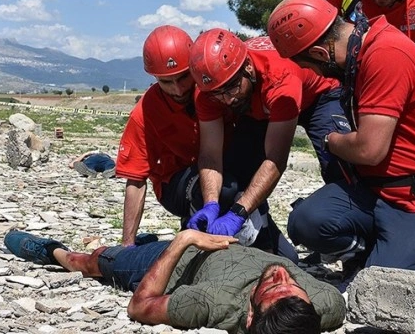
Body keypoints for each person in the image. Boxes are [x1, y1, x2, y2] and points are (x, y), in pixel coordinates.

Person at [266, 0, 415, 276]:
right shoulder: (363, 50)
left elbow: (368, 151)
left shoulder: (384, 55)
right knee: (306, 222)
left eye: (309, 66)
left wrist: (331, 141)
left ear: (320, 54)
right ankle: (379, 248)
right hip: (377, 189)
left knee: (387, 292)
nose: (314, 73)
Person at [116, 25, 289, 262]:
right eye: (167, 82)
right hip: (176, 183)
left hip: (224, 170)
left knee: (288, 258)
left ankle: (260, 241)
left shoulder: (217, 91)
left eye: (184, 77)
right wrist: (127, 246)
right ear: (155, 78)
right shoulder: (145, 112)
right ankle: (195, 239)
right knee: (225, 188)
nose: (178, 89)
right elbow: (135, 179)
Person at [186, 29, 352, 263]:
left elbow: (275, 159)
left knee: (339, 164)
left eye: (231, 89)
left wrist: (237, 213)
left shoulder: (279, 76)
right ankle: (262, 236)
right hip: (259, 104)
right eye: (217, 95)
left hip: (317, 96)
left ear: (248, 68)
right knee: (237, 167)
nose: (227, 100)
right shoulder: (213, 89)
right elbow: (211, 155)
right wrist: (211, 203)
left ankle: (348, 240)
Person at [3, 229, 346, 333]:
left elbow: (139, 306)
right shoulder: (325, 308)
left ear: (252, 315)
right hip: (227, 240)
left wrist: (185, 240)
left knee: (95, 261)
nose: (281, 274)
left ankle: (51, 251)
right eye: (292, 284)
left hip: (174, 259)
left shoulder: (213, 302)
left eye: (272, 287)